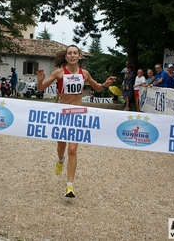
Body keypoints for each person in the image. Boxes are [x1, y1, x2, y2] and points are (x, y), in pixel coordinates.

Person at [36, 45, 117, 198]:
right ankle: (60, 160)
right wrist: (40, 81)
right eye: (69, 53)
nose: (72, 56)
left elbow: (97, 87)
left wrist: (105, 85)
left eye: (75, 53)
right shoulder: (59, 73)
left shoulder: (84, 73)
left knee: (72, 149)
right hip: (61, 115)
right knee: (61, 145)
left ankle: (70, 186)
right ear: (66, 57)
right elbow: (40, 89)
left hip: (77, 115)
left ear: (79, 56)